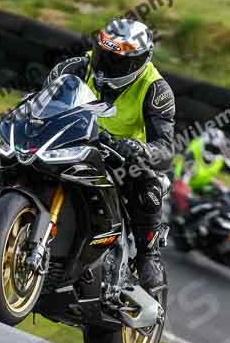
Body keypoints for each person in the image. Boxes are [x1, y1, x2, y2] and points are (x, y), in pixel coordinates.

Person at [43, 17, 175, 294]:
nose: (105, 65)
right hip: (73, 143)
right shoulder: (76, 67)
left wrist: (139, 149)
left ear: (140, 61)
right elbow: (41, 105)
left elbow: (165, 149)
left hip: (121, 159)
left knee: (148, 182)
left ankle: (147, 256)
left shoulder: (156, 89)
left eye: (117, 61)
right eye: (104, 55)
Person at [170, 128, 230, 249]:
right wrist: (187, 193)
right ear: (204, 144)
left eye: (216, 149)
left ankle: (224, 223)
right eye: (209, 147)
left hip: (204, 182)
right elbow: (184, 175)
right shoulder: (194, 151)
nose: (212, 151)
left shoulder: (221, 155)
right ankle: (183, 229)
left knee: (224, 193)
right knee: (185, 206)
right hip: (183, 182)